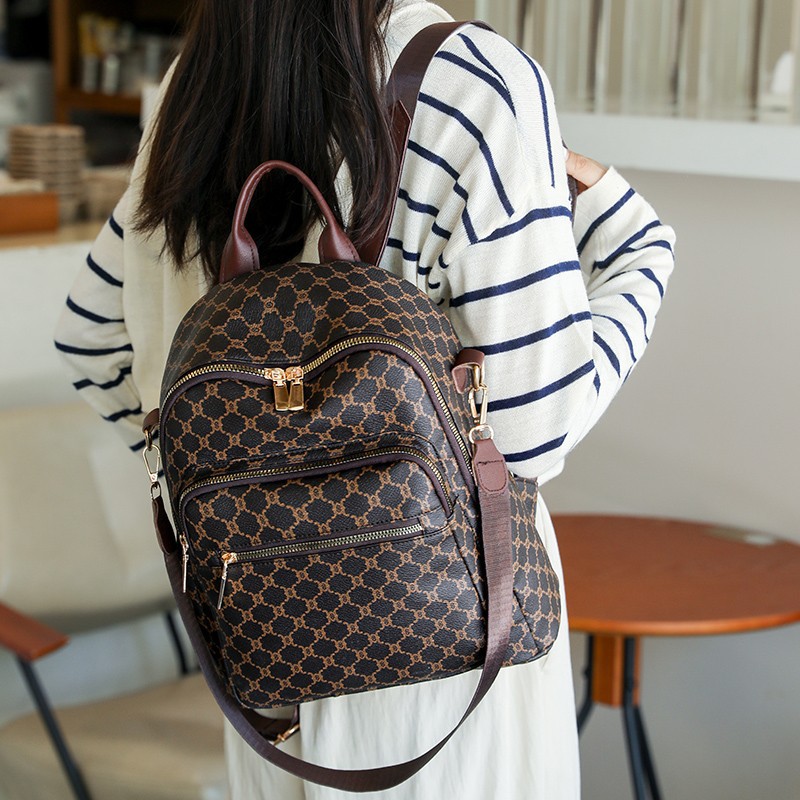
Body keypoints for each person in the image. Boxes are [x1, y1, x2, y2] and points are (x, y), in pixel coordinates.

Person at [54, 0, 676, 797]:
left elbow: (92, 337)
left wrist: (238, 485)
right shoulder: (473, 82)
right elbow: (531, 432)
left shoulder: (195, 86)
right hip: (447, 661)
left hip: (266, 669)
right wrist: (639, 249)